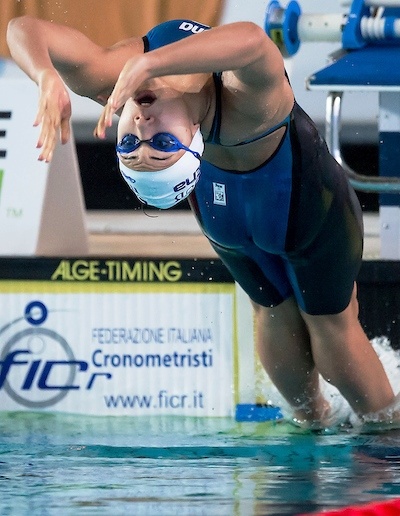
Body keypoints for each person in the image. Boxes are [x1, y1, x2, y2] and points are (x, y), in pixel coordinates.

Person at [7, 15, 399, 429]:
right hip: (298, 203)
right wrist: (152, 64)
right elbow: (251, 39)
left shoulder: (112, 85)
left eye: (128, 143)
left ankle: (313, 421)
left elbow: (20, 28)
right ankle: (382, 435)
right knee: (331, 325)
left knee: (273, 311)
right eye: (161, 144)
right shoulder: (244, 104)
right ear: (193, 134)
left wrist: (45, 75)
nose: (141, 126)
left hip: (222, 213)